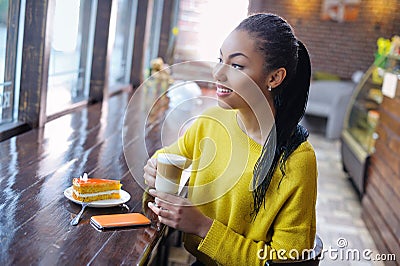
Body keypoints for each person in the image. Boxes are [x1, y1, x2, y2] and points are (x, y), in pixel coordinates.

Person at [143, 13, 317, 265]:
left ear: (274, 78)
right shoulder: (211, 121)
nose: (217, 73)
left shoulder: (297, 160)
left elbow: (288, 259)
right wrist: (154, 168)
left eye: (236, 65)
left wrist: (203, 227)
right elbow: (169, 157)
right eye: (219, 60)